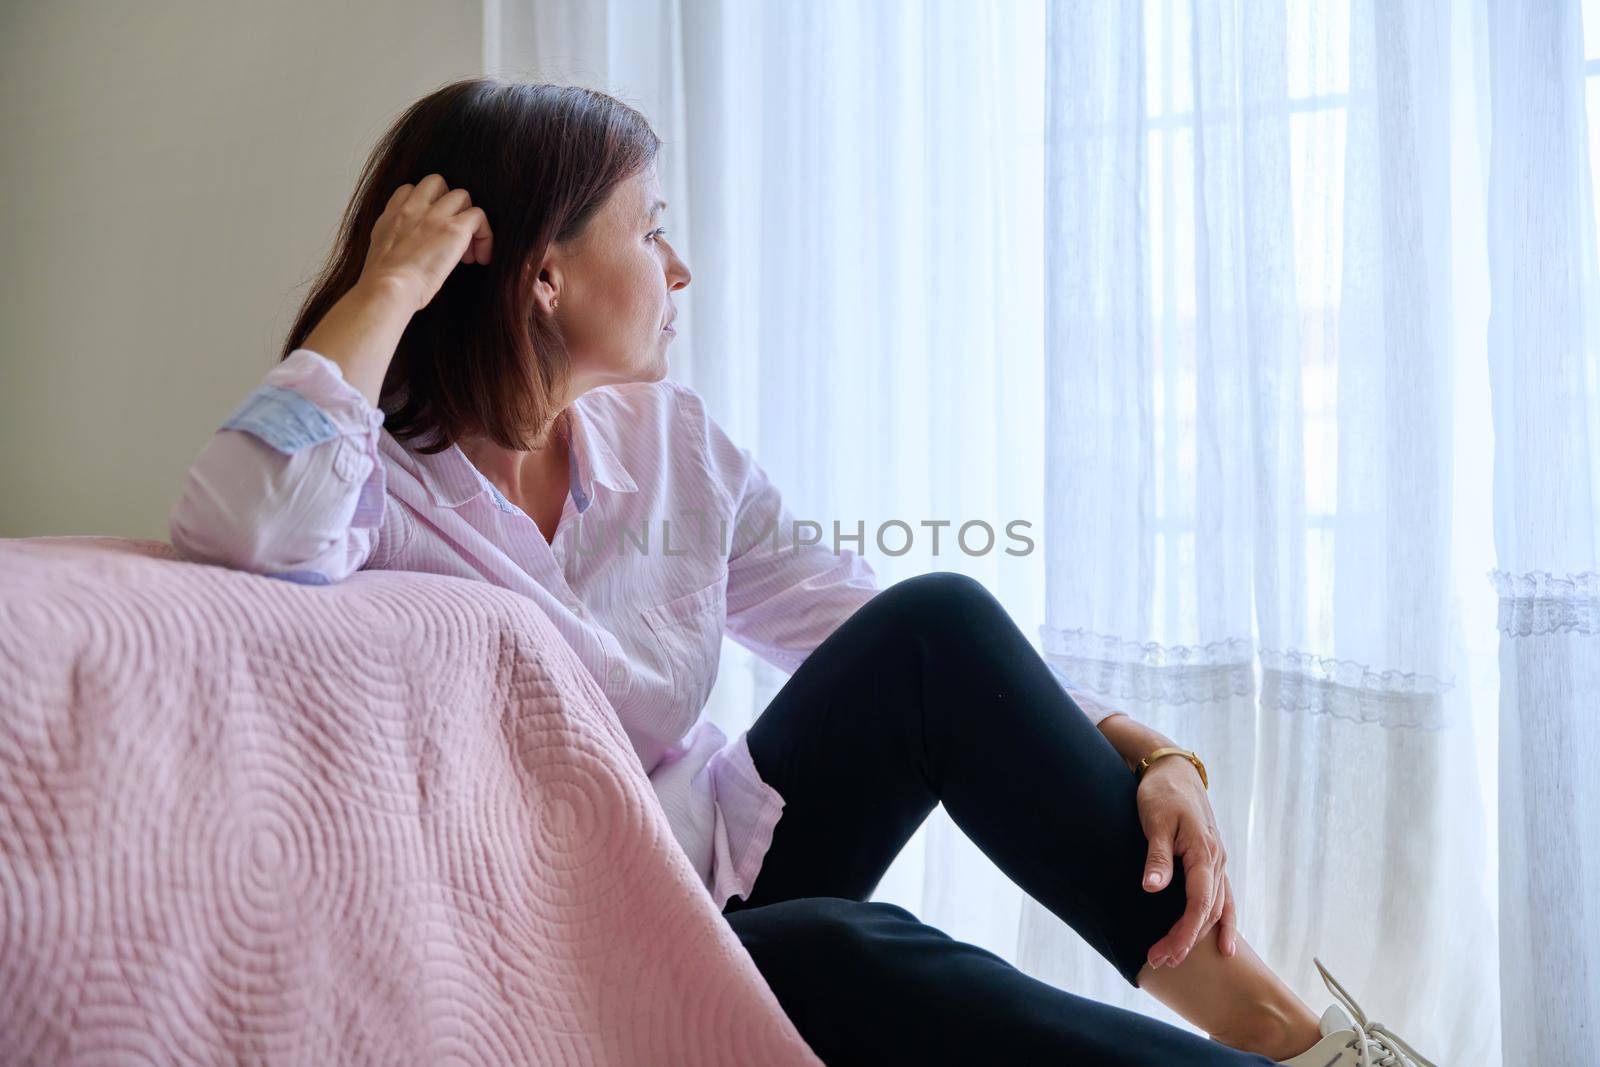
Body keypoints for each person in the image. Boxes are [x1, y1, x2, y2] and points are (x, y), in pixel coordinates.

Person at [170, 77, 1434, 1067]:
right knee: (835, 952)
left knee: (936, 617)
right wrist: (392, 281)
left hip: (714, 872)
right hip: (560, 936)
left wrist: (1141, 749)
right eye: (648, 229)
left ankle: (1292, 1037)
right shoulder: (372, 479)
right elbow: (245, 528)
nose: (676, 269)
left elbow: (877, 632)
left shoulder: (670, 444)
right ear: (541, 274)